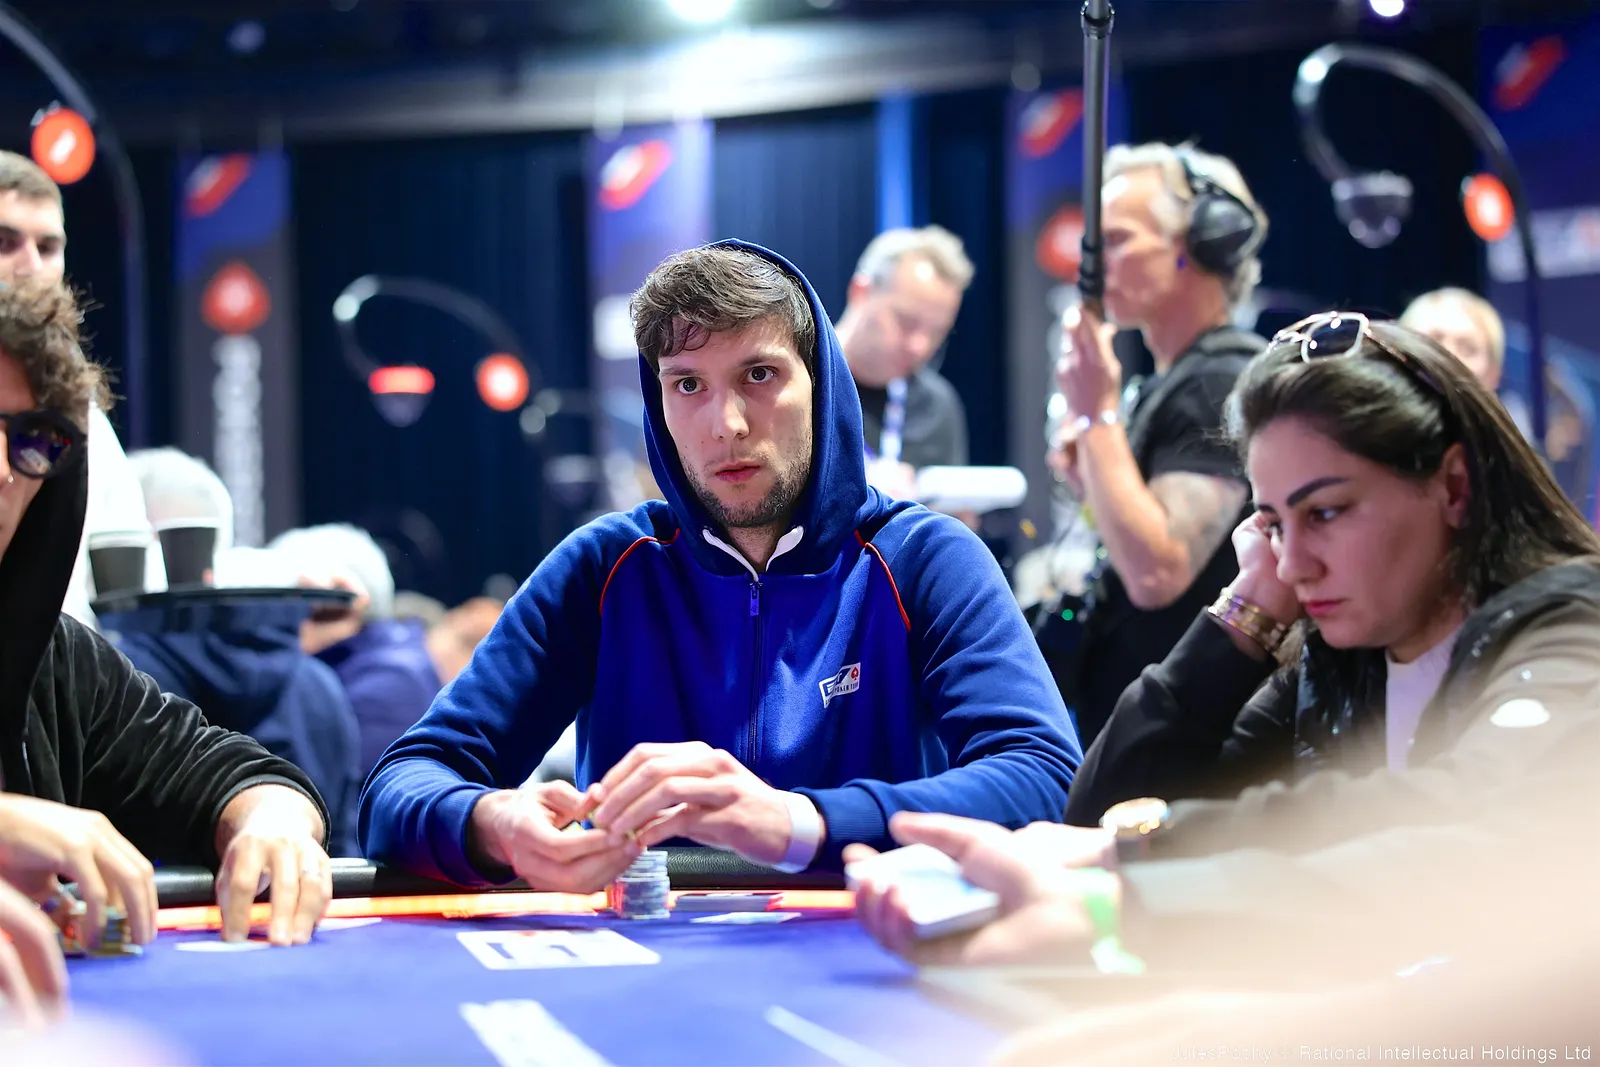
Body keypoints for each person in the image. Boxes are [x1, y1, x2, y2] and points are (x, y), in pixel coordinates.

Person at [850, 313, 1600, 979]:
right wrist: (1247, 609)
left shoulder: (1570, 625)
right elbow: (1106, 806)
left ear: (1455, 487)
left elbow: (1456, 804)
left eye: (1326, 512)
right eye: (1273, 524)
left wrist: (1132, 858)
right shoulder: (1343, 659)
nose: (1294, 563)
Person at [360, 240, 1081, 889]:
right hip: (646, 961)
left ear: (822, 384)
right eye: (687, 385)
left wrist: (799, 823)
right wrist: (489, 825)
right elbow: (401, 783)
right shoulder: (603, 568)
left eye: (759, 374)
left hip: (868, 953)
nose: (726, 425)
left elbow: (1044, 775)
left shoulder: (924, 558)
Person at [0, 280, 332, 968]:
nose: (4, 472)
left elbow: (218, 768)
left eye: (32, 440)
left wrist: (272, 820)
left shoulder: (56, 659)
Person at [1046, 142, 1270, 748]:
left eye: (1118, 241)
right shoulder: (1173, 382)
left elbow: (1158, 570)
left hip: (1192, 744)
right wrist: (1093, 475)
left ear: (1201, 244)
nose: (1094, 265)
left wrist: (1096, 415)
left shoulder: (1217, 382)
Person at [0, 150, 158, 627]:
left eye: (48, 247)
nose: (31, 266)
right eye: (5, 242)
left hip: (53, 666)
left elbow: (133, 585)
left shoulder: (80, 410)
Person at [269, 523, 442, 776]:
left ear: (345, 602)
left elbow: (305, 782)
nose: (279, 619)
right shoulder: (379, 662)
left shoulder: (388, 684)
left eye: (291, 602)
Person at [834, 226, 972, 499]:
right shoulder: (797, 380)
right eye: (906, 322)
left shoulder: (937, 407)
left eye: (937, 332)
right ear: (860, 292)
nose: (920, 346)